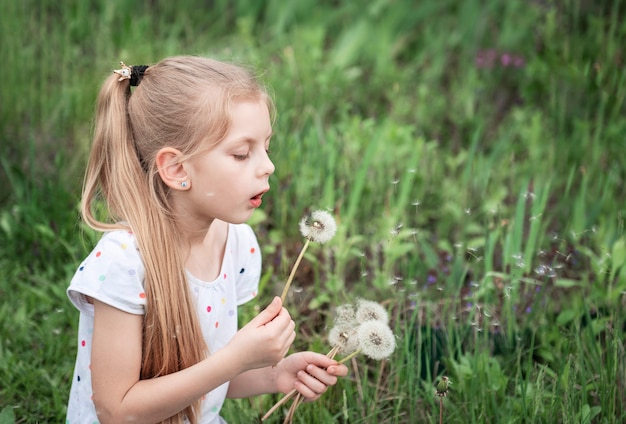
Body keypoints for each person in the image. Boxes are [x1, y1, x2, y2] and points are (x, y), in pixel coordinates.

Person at [66, 56, 348, 424]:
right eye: (242, 153)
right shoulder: (124, 264)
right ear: (177, 169)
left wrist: (273, 374)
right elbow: (117, 409)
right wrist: (235, 359)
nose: (268, 166)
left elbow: (208, 377)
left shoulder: (238, 246)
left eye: (266, 146)